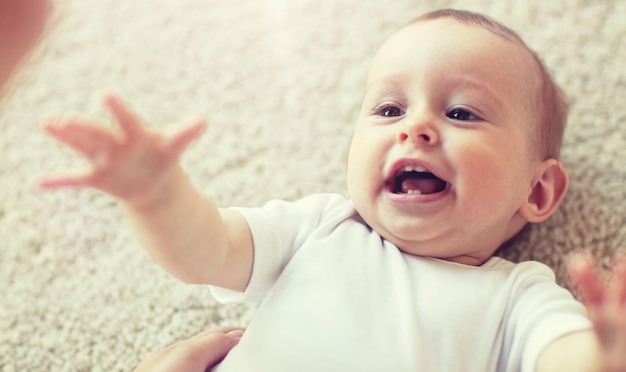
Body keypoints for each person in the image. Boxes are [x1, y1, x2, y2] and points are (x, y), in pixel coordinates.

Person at [40, 8, 626, 372]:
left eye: (463, 112)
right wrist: (158, 196)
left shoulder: (520, 297)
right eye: (389, 107)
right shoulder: (321, 226)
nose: (414, 127)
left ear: (539, 190)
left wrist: (605, 352)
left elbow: (563, 357)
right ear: (351, 159)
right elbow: (206, 251)